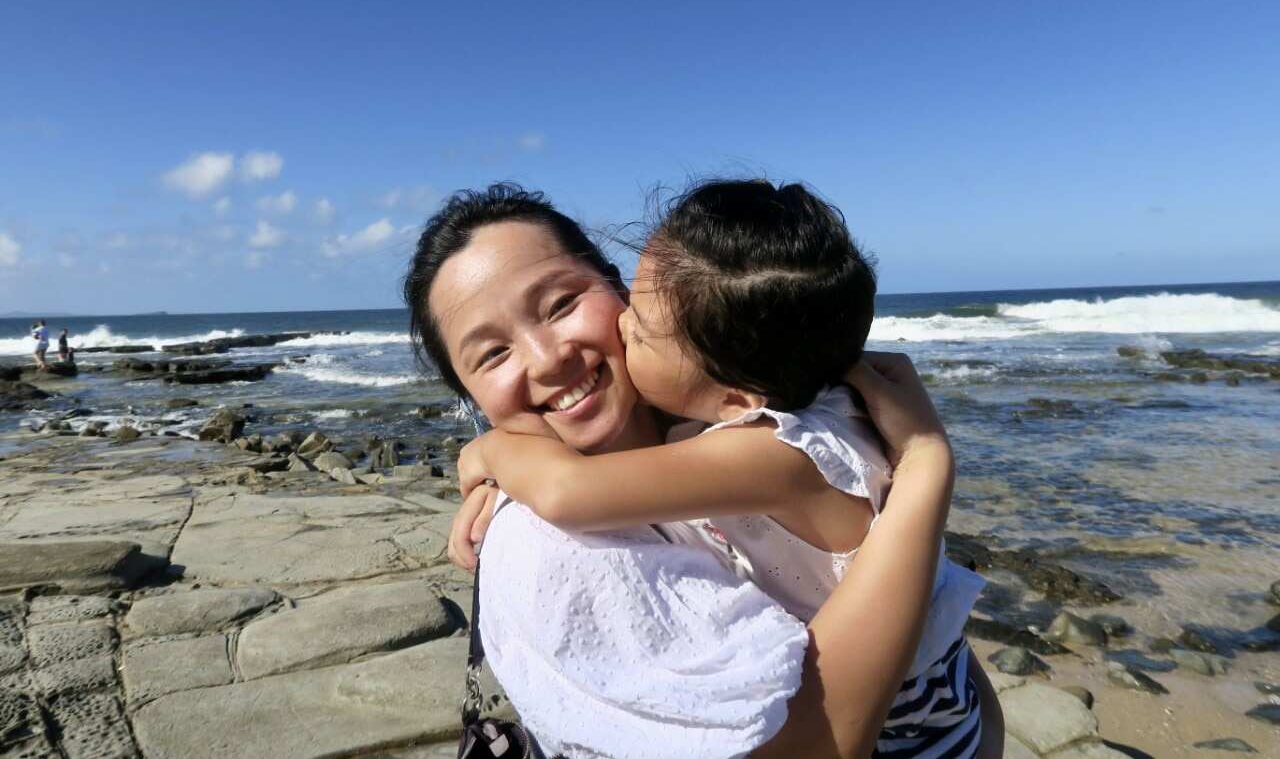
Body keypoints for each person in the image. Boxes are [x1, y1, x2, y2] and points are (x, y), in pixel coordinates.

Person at [405, 184, 1003, 758]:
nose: (549, 358)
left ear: (617, 288)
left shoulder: (768, 442)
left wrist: (488, 453)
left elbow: (567, 488)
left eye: (563, 304)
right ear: (470, 394)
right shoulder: (547, 545)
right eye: (492, 353)